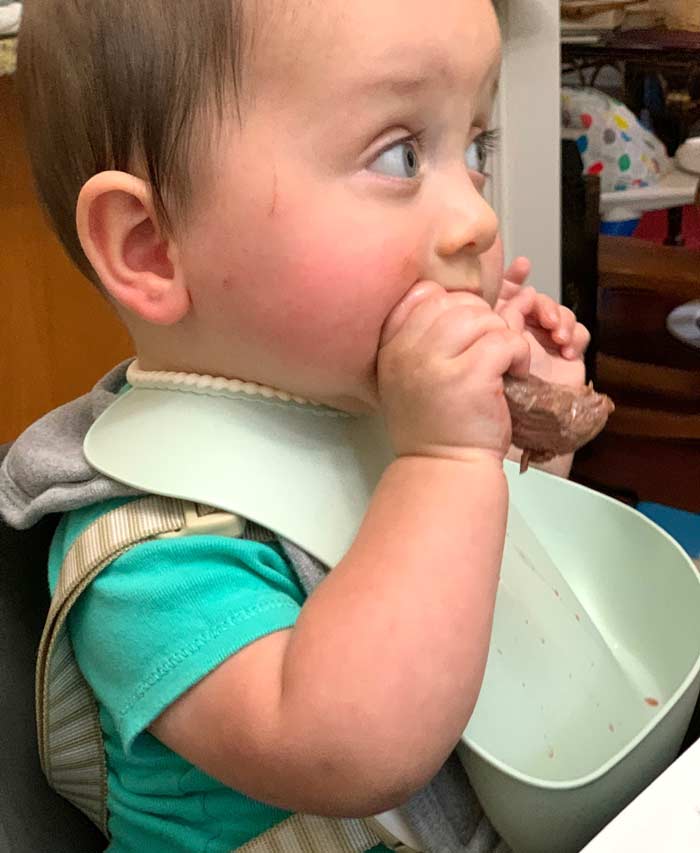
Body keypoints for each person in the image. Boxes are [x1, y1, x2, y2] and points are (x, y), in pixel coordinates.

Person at [1, 1, 589, 851]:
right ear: (152, 245)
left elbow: (486, 567)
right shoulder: (153, 554)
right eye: (400, 155)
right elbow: (358, 750)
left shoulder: (370, 409)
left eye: (475, 149)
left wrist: (526, 437)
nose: (478, 219)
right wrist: (449, 460)